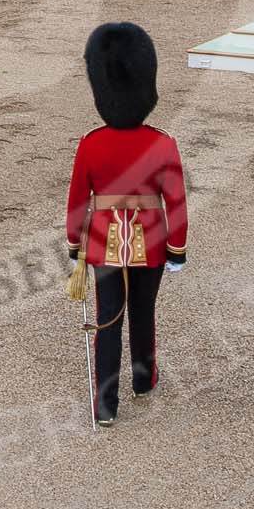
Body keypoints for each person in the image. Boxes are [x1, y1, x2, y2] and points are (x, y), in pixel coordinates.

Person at [65, 23, 188, 429]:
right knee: (143, 313)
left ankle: (105, 403)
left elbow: (78, 201)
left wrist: (74, 243)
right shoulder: (162, 143)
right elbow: (175, 201)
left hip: (102, 243)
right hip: (151, 241)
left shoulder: (91, 144)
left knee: (107, 321)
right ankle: (143, 379)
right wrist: (177, 248)